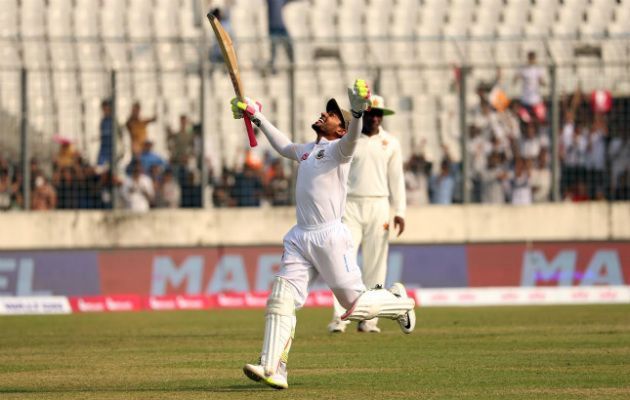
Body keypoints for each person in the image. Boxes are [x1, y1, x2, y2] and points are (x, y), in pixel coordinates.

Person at [231, 79, 415, 390]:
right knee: (281, 297)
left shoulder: (340, 150)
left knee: (355, 307)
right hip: (300, 237)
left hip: (330, 237)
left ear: (340, 129)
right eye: (326, 111)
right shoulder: (307, 151)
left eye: (331, 115)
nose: (324, 114)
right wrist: (256, 116)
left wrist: (356, 112)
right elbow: (283, 144)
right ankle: (274, 367)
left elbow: (354, 139)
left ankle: (400, 303)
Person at [328, 94, 406, 334]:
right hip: (350, 205)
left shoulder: (391, 143)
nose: (375, 118)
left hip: (380, 205)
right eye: (371, 113)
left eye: (379, 114)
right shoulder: (349, 141)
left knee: (376, 264)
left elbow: (397, 179)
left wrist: (400, 211)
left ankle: (370, 320)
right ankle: (340, 318)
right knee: (343, 262)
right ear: (365, 114)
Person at [266, 0, 294, 73]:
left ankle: (292, 63)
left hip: (281, 28)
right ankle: (272, 68)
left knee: (289, 46)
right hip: (273, 29)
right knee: (273, 50)